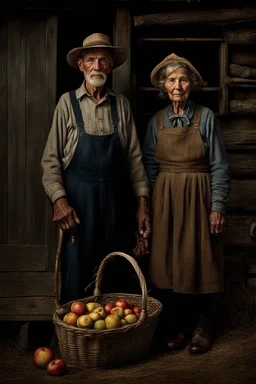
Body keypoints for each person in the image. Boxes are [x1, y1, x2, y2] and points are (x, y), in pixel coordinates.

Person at [41, 33, 151, 305]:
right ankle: (73, 342)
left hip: (117, 208)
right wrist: (59, 200)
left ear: (111, 65)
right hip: (78, 210)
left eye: (103, 60)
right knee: (76, 280)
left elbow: (136, 161)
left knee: (116, 277)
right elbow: (50, 162)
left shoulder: (121, 105)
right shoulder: (67, 104)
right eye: (91, 60)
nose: (97, 66)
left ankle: (116, 344)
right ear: (81, 65)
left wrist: (142, 206)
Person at [141, 53, 231, 354]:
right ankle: (178, 327)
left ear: (191, 84)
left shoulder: (205, 118)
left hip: (199, 196)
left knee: (202, 259)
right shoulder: (156, 122)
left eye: (182, 79)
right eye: (171, 80)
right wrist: (151, 210)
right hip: (166, 199)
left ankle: (203, 327)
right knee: (169, 263)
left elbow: (219, 164)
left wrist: (216, 206)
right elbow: (150, 170)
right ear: (164, 87)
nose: (177, 85)